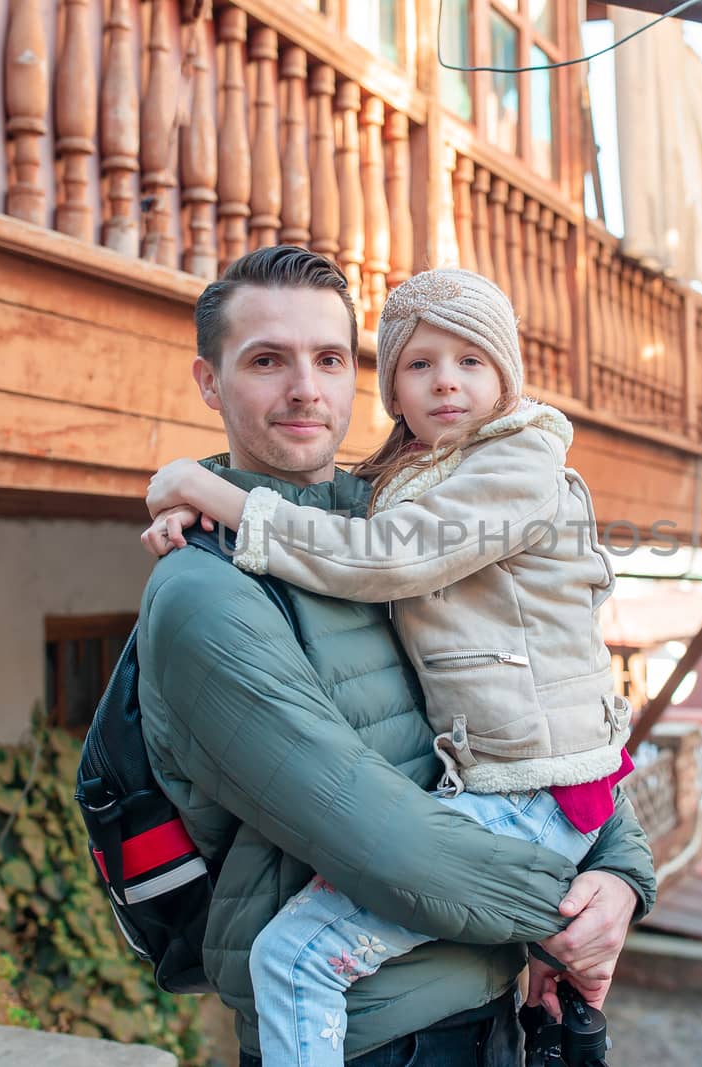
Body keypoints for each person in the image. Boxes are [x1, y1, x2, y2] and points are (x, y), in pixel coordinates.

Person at [135, 246, 656, 1067]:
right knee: (297, 953)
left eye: (330, 359)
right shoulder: (206, 594)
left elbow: (545, 735)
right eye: (267, 360)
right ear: (210, 382)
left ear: (356, 377)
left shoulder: (390, 516)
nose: (306, 388)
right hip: (367, 1036)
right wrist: (565, 918)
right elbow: (384, 841)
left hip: (484, 1013)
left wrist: (622, 878)